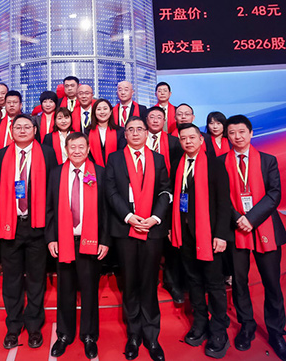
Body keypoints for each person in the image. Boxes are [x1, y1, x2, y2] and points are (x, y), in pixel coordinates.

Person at [222, 115, 286, 361]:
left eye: (242, 131)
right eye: (232, 133)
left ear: (251, 133)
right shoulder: (220, 162)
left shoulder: (268, 160)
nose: (237, 137)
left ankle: (276, 332)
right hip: (235, 228)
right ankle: (247, 324)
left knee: (272, 283)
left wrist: (250, 218)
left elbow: (274, 194)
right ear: (227, 136)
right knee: (239, 282)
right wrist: (238, 219)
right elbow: (220, 196)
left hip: (264, 227)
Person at [105, 116, 172, 361]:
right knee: (130, 282)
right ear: (125, 134)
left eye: (139, 129)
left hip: (152, 229)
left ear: (146, 133)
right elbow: (111, 191)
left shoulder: (158, 159)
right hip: (125, 228)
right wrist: (128, 216)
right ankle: (133, 334)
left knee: (149, 282)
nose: (135, 133)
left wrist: (155, 218)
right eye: (130, 129)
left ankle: (152, 335)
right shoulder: (115, 159)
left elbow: (166, 190)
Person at [0, 115, 58, 350]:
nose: (22, 130)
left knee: (36, 279)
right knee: (11, 279)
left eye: (26, 127)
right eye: (17, 127)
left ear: (35, 130)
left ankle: (34, 326)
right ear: (11, 130)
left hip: (37, 225)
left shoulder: (47, 153)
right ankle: (13, 326)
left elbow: (54, 189)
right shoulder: (0, 155)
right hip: (9, 224)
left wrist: (51, 225)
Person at [171, 123, 233, 358]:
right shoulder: (178, 164)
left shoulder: (215, 165)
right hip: (185, 233)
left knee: (214, 284)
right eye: (183, 138)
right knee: (194, 281)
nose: (187, 142)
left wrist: (221, 234)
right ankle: (200, 322)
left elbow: (224, 203)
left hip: (209, 234)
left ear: (200, 140)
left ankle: (219, 330)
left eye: (191, 137)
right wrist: (173, 228)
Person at [45, 132, 110, 359]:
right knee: (65, 289)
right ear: (66, 149)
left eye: (81, 147)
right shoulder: (56, 173)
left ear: (88, 149)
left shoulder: (99, 173)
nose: (77, 151)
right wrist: (51, 238)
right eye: (72, 147)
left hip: (90, 241)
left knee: (90, 290)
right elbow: (49, 208)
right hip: (64, 240)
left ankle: (89, 335)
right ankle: (64, 334)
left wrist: (105, 240)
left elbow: (106, 211)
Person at [145, 106, 185, 304]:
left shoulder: (174, 142)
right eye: (151, 117)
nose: (155, 120)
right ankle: (148, 280)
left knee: (170, 242)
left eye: (159, 117)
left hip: (169, 196)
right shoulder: (138, 139)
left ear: (165, 121)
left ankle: (171, 281)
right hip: (141, 197)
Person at [86, 99, 125, 168]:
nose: (102, 112)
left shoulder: (120, 131)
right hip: (94, 169)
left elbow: (121, 153)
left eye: (105, 109)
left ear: (110, 111)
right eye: (99, 109)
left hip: (116, 168)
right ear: (94, 112)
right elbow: (87, 153)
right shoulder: (88, 131)